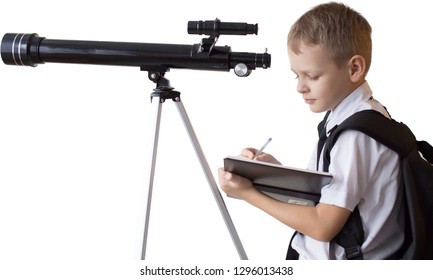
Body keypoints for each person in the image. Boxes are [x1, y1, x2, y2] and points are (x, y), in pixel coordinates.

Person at [218, 2, 405, 259]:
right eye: (297, 76)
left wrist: (247, 193)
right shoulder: (348, 116)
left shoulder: (357, 135)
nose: (300, 87)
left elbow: (322, 226)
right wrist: (273, 172)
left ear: (354, 68)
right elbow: (328, 190)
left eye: (312, 76)